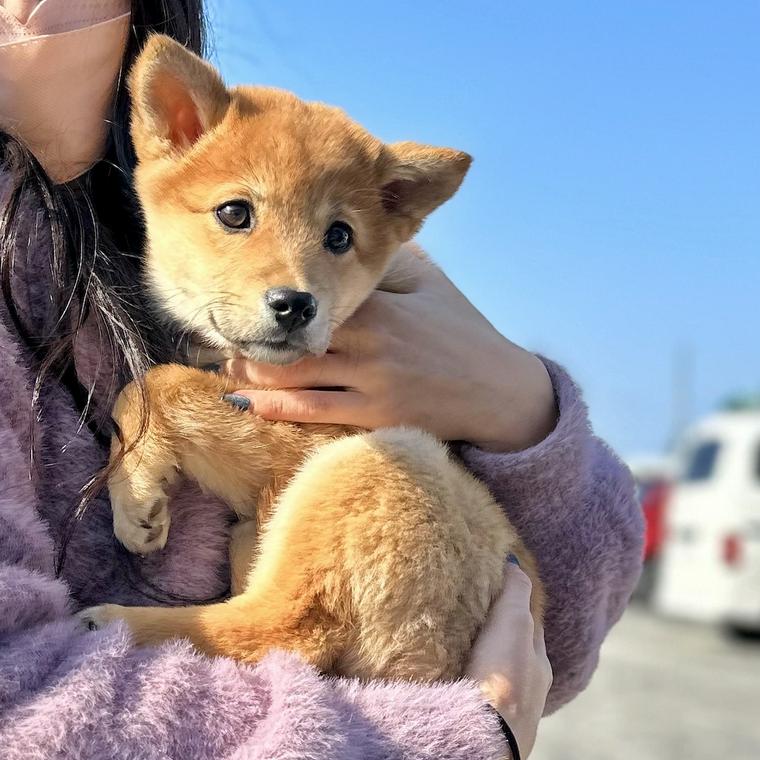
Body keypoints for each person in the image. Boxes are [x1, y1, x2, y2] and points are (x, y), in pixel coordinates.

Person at [0, 1, 643, 758]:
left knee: (384, 471)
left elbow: (549, 650)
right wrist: (440, 738)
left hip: (405, 587)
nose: (293, 279)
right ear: (170, 126)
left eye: (337, 238)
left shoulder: (387, 312)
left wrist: (520, 413)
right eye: (238, 213)